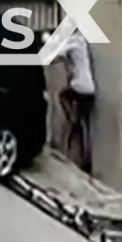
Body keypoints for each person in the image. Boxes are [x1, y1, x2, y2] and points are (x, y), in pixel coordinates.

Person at [44, 29, 96, 173]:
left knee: (63, 96)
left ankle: (71, 118)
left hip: (79, 87)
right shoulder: (81, 40)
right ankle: (86, 158)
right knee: (83, 126)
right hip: (89, 89)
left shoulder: (74, 41)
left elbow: (57, 54)